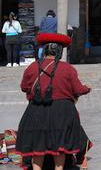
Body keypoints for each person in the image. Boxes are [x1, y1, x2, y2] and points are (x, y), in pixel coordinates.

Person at [16, 33, 91, 170]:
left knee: (37, 146)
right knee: (59, 147)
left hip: (37, 111)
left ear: (44, 51)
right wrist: (87, 88)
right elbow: (78, 89)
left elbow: (24, 87)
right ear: (59, 52)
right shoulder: (68, 69)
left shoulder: (32, 67)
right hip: (62, 113)